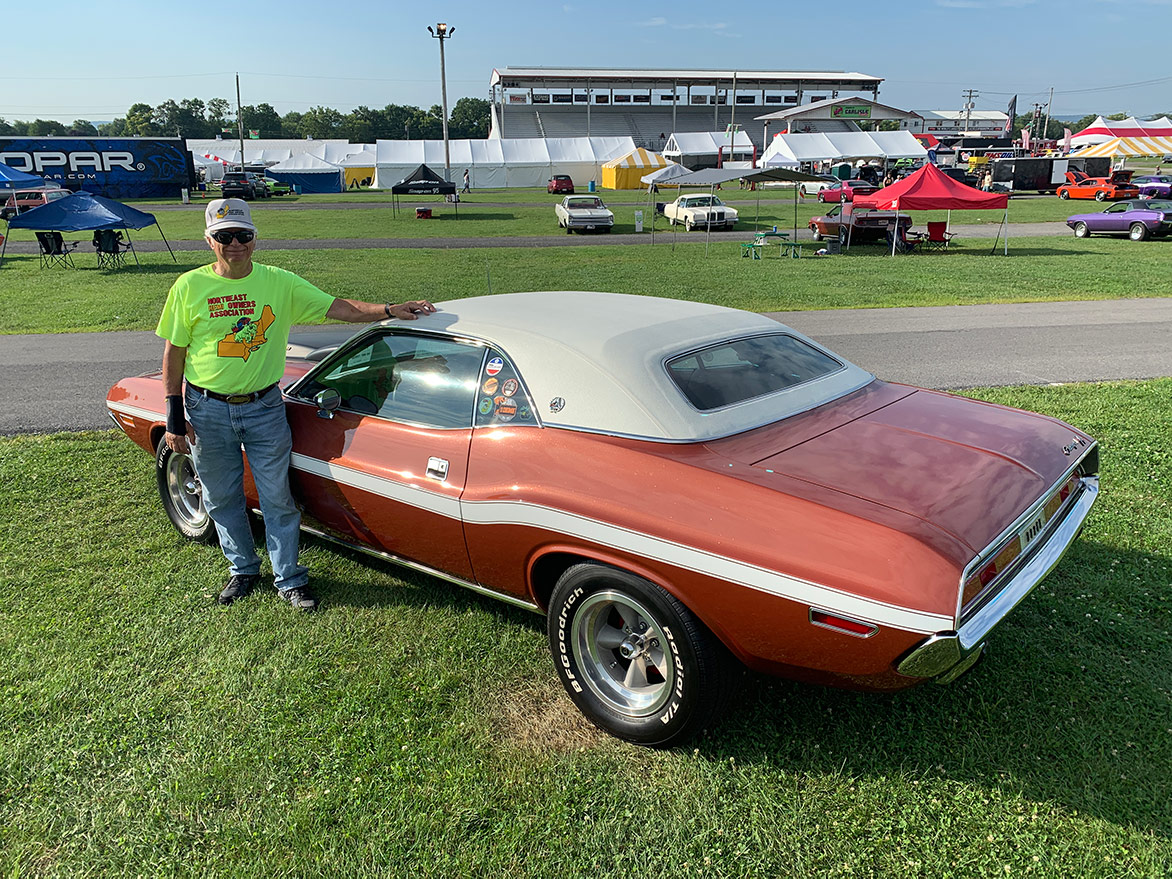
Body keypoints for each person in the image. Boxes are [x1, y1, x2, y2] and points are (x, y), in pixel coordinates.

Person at [157, 198, 435, 612]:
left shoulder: (279, 282)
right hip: (207, 409)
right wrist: (174, 414)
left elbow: (337, 307)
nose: (235, 244)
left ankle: (288, 577)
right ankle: (243, 569)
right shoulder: (189, 287)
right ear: (209, 240)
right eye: (224, 236)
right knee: (220, 497)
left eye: (243, 235)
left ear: (255, 239)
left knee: (277, 497)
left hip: (264, 407)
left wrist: (388, 310)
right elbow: (174, 352)